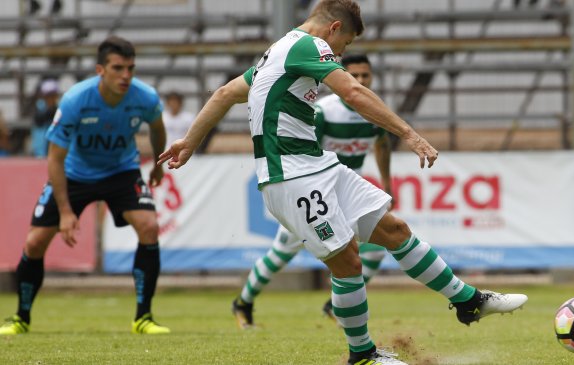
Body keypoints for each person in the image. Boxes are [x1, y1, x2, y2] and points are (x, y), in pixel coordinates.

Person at [159, 1, 527, 363]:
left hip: (318, 167)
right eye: (346, 45)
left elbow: (224, 93)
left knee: (394, 230)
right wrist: (410, 134)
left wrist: (189, 142)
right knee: (348, 262)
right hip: (291, 175)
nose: (341, 53)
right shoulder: (310, 45)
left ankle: (469, 302)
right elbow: (353, 92)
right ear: (334, 29)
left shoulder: (276, 52)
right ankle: (363, 355)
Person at [0, 36, 170, 336]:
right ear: (100, 70)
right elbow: (54, 158)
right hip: (74, 174)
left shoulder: (145, 97)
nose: (126, 76)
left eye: (131, 68)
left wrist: (157, 163)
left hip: (122, 171)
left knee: (149, 226)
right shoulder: (76, 100)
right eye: (118, 68)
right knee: (34, 243)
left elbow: (157, 128)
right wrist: (66, 212)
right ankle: (20, 317)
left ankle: (143, 317)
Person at [232, 54, 393, 329]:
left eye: (366, 76)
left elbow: (382, 145)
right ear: (342, 75)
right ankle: (244, 302)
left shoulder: (372, 110)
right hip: (312, 193)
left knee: (376, 251)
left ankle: (335, 306)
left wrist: (386, 182)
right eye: (355, 75)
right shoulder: (324, 112)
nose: (361, 80)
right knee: (281, 255)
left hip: (347, 194)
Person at [31, 79, 60, 158]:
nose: (50, 98)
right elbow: (38, 121)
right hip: (40, 151)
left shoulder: (60, 109)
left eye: (52, 95)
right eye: (48, 95)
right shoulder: (39, 108)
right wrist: (50, 109)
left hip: (56, 150)